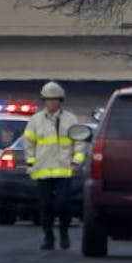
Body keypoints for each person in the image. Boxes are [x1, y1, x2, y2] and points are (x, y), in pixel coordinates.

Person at [22, 80, 85, 250]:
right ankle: (48, 237)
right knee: (45, 206)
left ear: (60, 100)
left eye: (55, 99)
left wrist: (76, 161)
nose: (52, 102)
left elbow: (79, 143)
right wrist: (31, 163)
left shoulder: (71, 119)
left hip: (64, 170)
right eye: (48, 99)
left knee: (63, 204)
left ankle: (64, 232)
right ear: (44, 101)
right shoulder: (35, 120)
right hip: (42, 170)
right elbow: (28, 144)